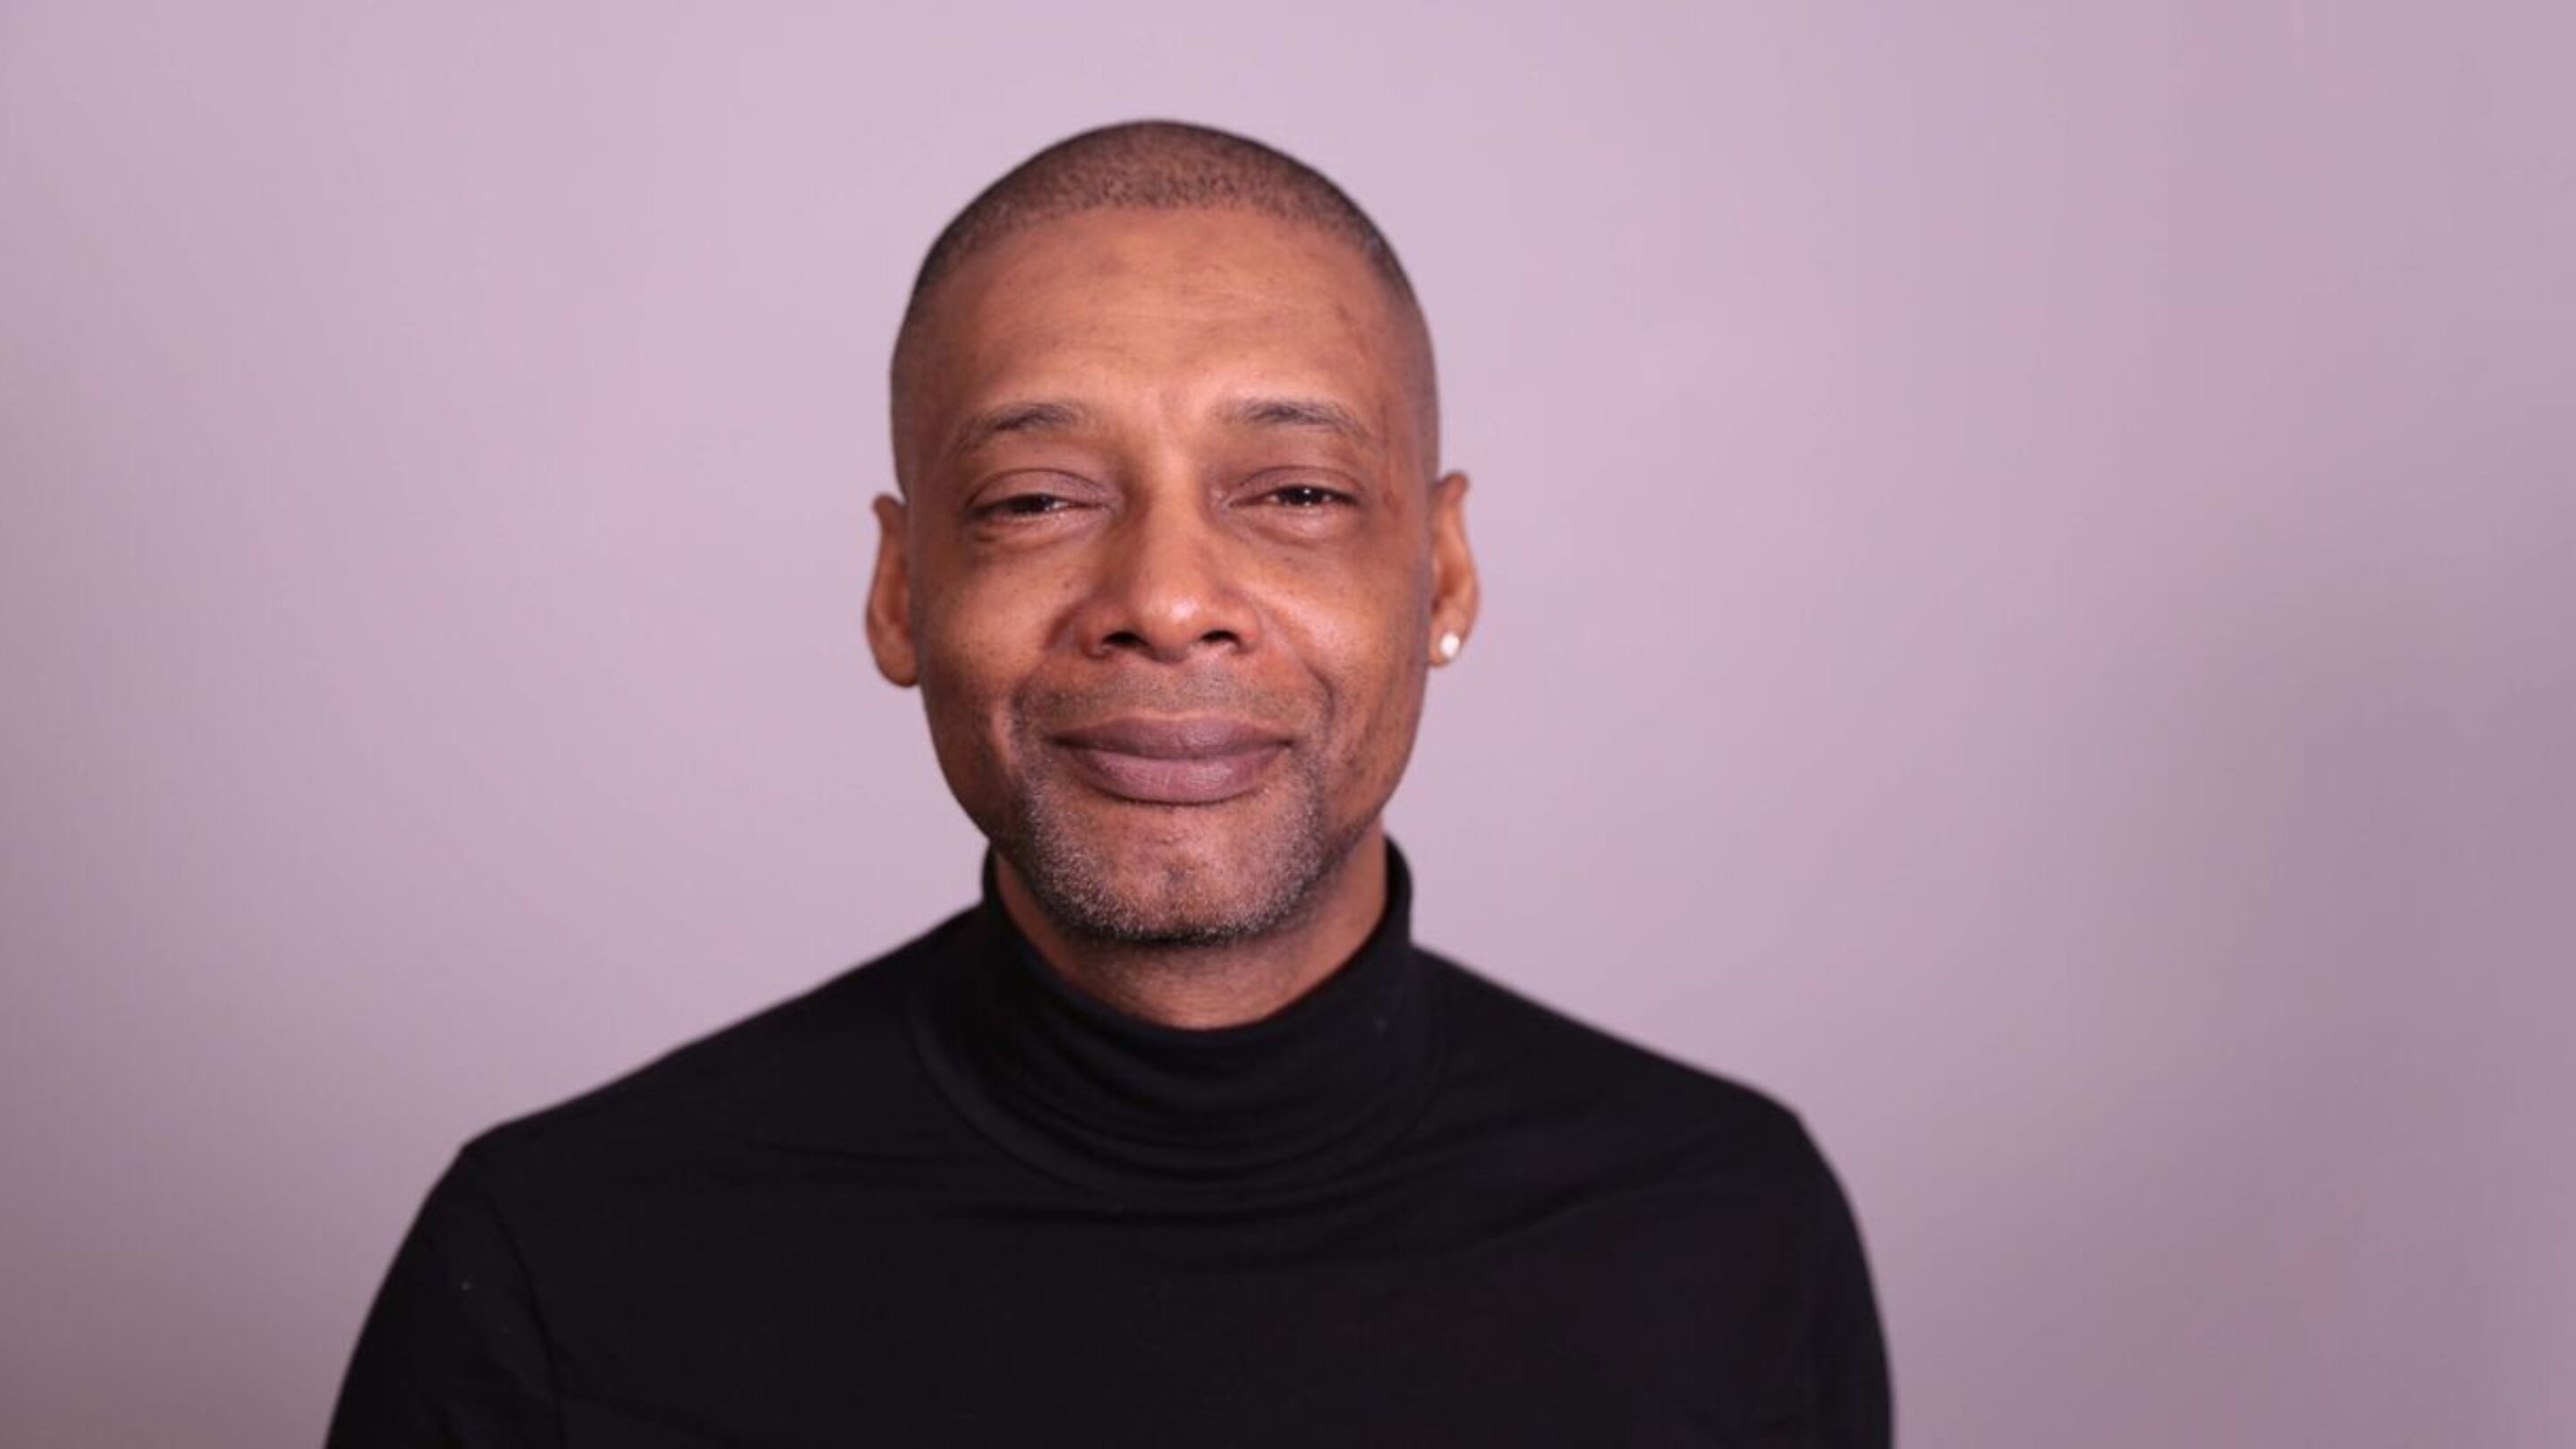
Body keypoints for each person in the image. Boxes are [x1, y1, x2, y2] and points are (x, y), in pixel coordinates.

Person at [328, 120, 1892, 1447]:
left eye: (1294, 491)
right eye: (1034, 497)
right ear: (898, 592)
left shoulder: (1726, 1233)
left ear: (1442, 572)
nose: (1164, 595)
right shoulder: (560, 1269)